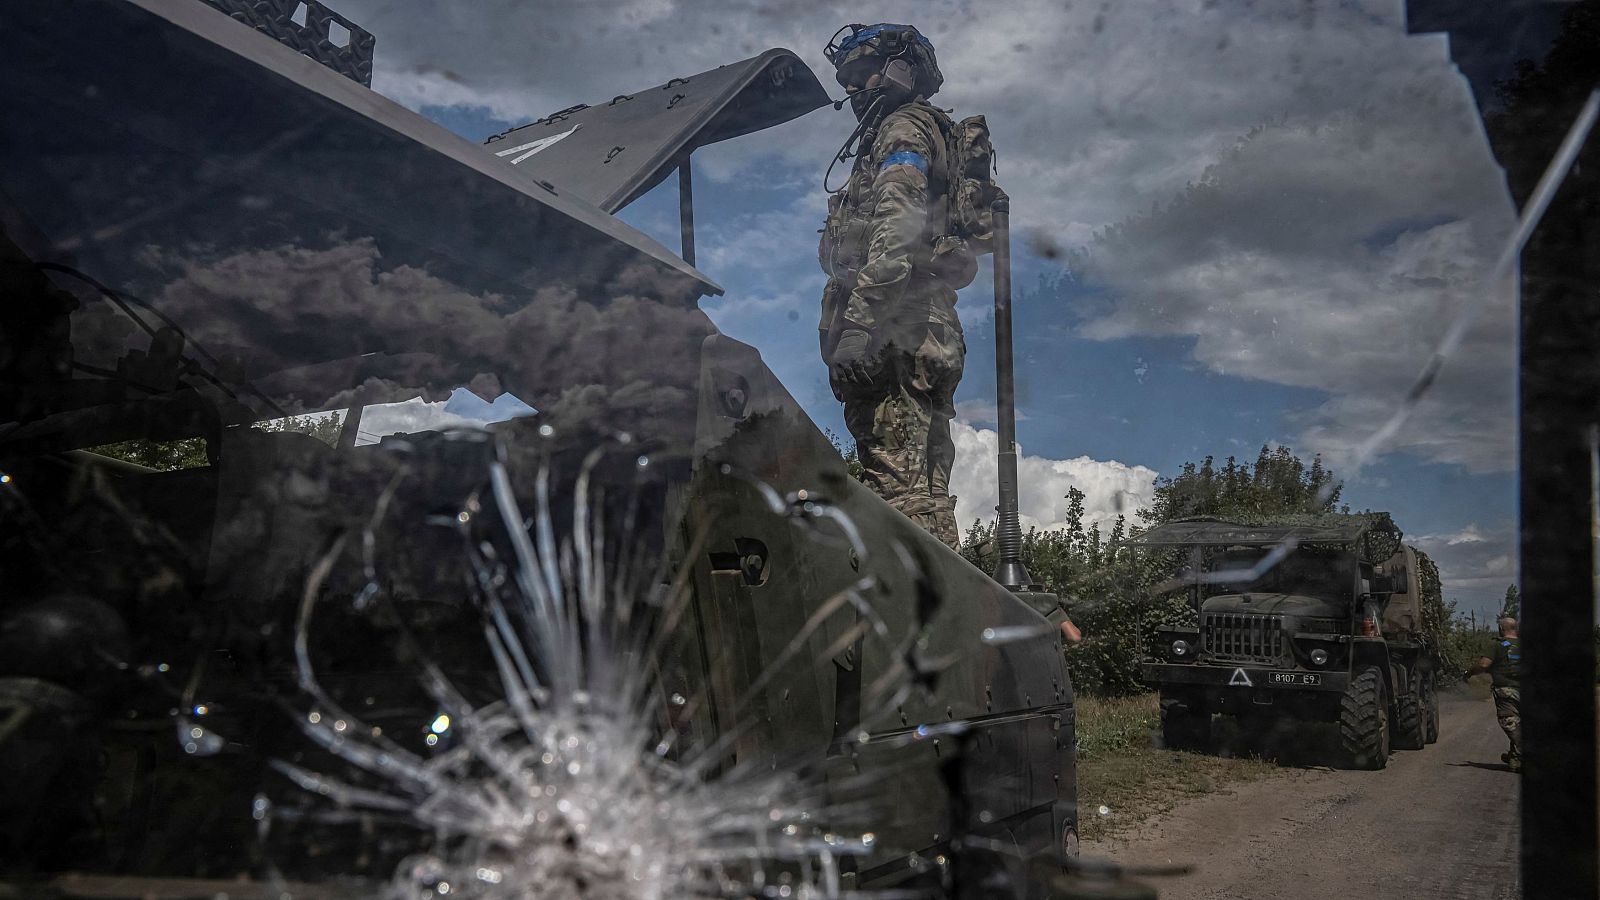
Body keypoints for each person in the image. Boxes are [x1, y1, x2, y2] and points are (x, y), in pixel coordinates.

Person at [817, 23, 971, 550]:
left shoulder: (902, 129)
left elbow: (897, 230)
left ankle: (931, 624)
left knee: (901, 500)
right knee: (924, 493)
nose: (856, 92)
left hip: (895, 331)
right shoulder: (931, 131)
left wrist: (859, 324)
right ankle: (959, 617)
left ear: (904, 71)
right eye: (849, 81)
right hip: (927, 328)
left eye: (865, 76)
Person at [1464, 616, 1521, 772]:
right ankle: (1515, 758)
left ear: (1502, 629)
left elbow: (1483, 664)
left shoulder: (1497, 645)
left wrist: (1469, 673)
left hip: (1506, 690)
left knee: (1509, 722)